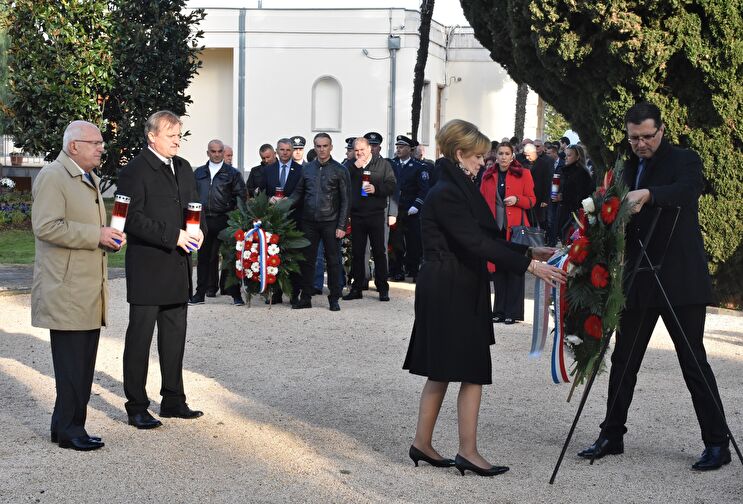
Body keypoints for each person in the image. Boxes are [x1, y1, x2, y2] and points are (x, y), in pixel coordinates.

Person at [403, 119, 566, 476]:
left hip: (453, 282)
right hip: (451, 285)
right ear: (459, 154)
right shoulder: (448, 190)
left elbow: (481, 238)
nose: (483, 163)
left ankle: (423, 443)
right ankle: (468, 452)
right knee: (471, 369)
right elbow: (474, 242)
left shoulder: (456, 185)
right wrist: (529, 266)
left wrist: (530, 251)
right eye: (478, 157)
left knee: (442, 369)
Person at [578, 102, 732, 471]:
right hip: (639, 278)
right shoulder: (624, 167)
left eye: (648, 136)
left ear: (661, 130)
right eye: (635, 138)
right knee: (623, 360)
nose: (641, 144)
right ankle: (612, 434)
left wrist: (648, 195)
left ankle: (717, 442)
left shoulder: (684, 159)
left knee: (693, 362)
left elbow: (687, 191)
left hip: (680, 278)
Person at [32, 121, 125, 451]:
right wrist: (95, 235)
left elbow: (83, 226)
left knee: (82, 362)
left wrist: (106, 237)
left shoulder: (87, 177)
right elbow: (46, 226)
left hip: (85, 287)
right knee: (72, 365)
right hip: (67, 288)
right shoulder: (54, 177)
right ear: (74, 146)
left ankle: (64, 426)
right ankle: (72, 431)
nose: (102, 147)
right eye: (95, 142)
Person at [117, 110, 205, 429]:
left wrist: (199, 231)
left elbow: (194, 207)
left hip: (178, 267)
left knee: (174, 339)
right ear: (152, 136)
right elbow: (130, 218)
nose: (177, 141)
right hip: (148, 268)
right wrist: (174, 236)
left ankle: (173, 400)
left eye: (179, 135)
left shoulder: (183, 168)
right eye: (171, 135)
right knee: (139, 341)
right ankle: (136, 405)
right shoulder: (134, 170)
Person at [289, 133, 351, 311]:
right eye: (318, 146)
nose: (322, 149)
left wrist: (341, 226)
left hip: (331, 222)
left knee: (333, 261)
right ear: (314, 148)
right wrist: (280, 205)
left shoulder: (340, 170)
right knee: (307, 261)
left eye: (325, 146)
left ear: (331, 147)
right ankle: (306, 297)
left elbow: (346, 200)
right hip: (309, 221)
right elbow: (297, 194)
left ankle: (334, 298)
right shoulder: (307, 169)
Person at [480, 142, 537, 324]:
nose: (503, 157)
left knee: (515, 269)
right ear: (495, 156)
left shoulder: (524, 173)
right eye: (500, 153)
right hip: (495, 229)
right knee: (497, 270)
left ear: (512, 156)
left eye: (507, 153)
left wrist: (517, 199)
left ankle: (513, 312)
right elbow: (480, 200)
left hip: (516, 229)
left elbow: (532, 201)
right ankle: (498, 310)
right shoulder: (488, 175)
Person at [189, 139, 247, 306]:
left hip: (225, 220)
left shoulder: (233, 173)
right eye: (213, 151)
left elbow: (241, 197)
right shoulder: (199, 173)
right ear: (208, 153)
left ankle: (235, 294)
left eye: (219, 151)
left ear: (223, 152)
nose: (216, 154)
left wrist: (234, 216)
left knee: (230, 257)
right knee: (203, 258)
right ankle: (200, 294)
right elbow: (192, 195)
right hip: (204, 220)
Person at [341, 137, 396, 301]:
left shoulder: (383, 164)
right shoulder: (350, 165)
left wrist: (377, 188)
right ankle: (357, 288)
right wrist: (353, 168)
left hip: (376, 214)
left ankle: (382, 288)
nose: (359, 154)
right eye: (356, 151)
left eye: (362, 150)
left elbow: (392, 185)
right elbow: (341, 181)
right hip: (357, 214)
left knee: (379, 251)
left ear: (369, 149)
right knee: (357, 253)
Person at [263, 138, 304, 305]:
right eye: (282, 149)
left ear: (292, 151)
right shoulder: (268, 170)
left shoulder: (302, 170)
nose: (285, 153)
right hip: (274, 220)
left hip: (294, 219)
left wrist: (290, 201)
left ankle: (294, 294)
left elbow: (303, 193)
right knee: (274, 255)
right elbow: (261, 191)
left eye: (288, 150)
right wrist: (268, 199)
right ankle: (276, 293)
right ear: (277, 151)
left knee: (294, 257)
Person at [388, 135, 430, 282]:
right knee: (396, 242)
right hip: (396, 209)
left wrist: (416, 205)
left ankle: (414, 270)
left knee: (414, 242)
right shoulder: (392, 164)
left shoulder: (419, 167)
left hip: (411, 210)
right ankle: (396, 270)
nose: (398, 149)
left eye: (402, 147)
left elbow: (424, 189)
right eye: (397, 147)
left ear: (410, 150)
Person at [555, 143, 593, 242]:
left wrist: (563, 197)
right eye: (565, 155)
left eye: (569, 155)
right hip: (564, 211)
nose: (566, 158)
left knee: (569, 240)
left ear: (578, 157)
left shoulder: (581, 173)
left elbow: (581, 196)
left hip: (574, 214)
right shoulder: (566, 170)